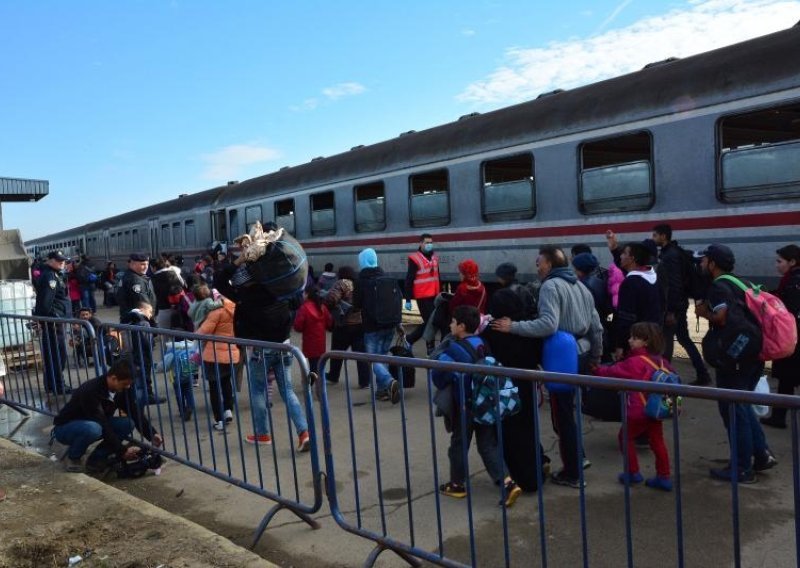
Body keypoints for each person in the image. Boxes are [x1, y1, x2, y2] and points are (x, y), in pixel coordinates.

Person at [491, 246, 603, 488]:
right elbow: (596, 326)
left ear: (550, 265)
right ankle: (578, 458)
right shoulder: (581, 286)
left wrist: (515, 327)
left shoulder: (551, 286)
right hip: (582, 353)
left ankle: (573, 471)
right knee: (569, 412)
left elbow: (548, 325)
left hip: (564, 356)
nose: (537, 267)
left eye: (539, 262)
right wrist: (596, 356)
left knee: (562, 416)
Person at [695, 244, 777, 483]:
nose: (701, 264)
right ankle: (760, 454)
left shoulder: (719, 286)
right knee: (742, 404)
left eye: (704, 260)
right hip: (752, 352)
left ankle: (742, 467)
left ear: (713, 264)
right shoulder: (742, 282)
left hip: (735, 356)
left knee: (733, 408)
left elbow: (721, 317)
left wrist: (702, 313)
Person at [433, 305, 522, 507]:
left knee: (458, 444)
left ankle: (457, 484)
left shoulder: (453, 349)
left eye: (453, 322)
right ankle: (508, 483)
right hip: (486, 403)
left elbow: (438, 377)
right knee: (488, 446)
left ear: (461, 326)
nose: (450, 325)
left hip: (465, 406)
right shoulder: (483, 342)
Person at [482, 262, 548, 492]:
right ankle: (536, 473)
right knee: (529, 429)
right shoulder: (526, 327)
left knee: (511, 435)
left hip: (505, 391)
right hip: (527, 385)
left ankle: (522, 479)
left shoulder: (494, 331)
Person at [593, 322, 673, 491]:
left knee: (625, 437)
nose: (630, 340)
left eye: (634, 338)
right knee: (657, 441)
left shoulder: (634, 362)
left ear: (646, 341)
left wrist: (595, 369)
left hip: (638, 410)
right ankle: (664, 476)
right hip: (657, 409)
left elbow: (611, 372)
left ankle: (632, 472)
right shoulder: (663, 362)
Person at [52, 358, 163, 473]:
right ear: (114, 378)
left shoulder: (121, 390)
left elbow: (134, 412)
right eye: (125, 384)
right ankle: (74, 457)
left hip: (94, 424)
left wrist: (152, 433)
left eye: (129, 384)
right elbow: (102, 423)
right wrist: (122, 451)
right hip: (65, 428)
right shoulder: (91, 390)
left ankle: (97, 459)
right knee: (94, 429)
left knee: (127, 423)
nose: (127, 387)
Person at [652, 224, 711, 386]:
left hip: (674, 306)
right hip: (680, 304)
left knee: (667, 340)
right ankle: (703, 373)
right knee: (684, 339)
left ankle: (665, 377)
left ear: (664, 236)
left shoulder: (670, 256)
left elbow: (673, 285)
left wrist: (670, 310)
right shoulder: (675, 252)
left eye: (655, 235)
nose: (653, 238)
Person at [352, 248, 401, 404]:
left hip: (372, 327)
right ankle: (382, 392)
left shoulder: (361, 281)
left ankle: (389, 381)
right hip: (390, 325)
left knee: (373, 360)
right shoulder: (386, 278)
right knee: (383, 356)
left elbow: (356, 304)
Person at [760, 244, 800, 429]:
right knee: (788, 379)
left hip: (793, 338)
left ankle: (778, 417)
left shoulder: (793, 282)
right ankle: (779, 415)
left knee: (786, 378)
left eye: (780, 261)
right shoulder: (791, 280)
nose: (777, 265)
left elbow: (788, 311)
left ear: (792, 262)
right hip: (795, 337)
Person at [613, 242, 663, 361]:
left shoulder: (631, 282)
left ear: (632, 258)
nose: (621, 256)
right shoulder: (654, 276)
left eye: (624, 253)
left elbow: (626, 317)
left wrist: (620, 345)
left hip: (635, 342)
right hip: (652, 337)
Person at [197, 294, 240, 431]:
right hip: (231, 353)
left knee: (214, 386)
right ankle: (228, 410)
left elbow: (202, 332)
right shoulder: (237, 311)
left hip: (213, 354)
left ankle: (219, 419)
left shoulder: (216, 313)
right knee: (226, 382)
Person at [324, 266, 370, 387]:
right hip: (360, 324)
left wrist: (328, 303)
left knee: (337, 353)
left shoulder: (342, 283)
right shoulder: (359, 284)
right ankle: (364, 381)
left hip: (344, 325)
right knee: (361, 355)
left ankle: (333, 376)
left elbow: (331, 298)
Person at [33, 251, 71, 394]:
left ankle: (51, 384)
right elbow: (46, 301)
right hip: (55, 321)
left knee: (52, 354)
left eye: (63, 260)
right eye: (58, 260)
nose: (62, 263)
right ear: (49, 261)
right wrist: (49, 318)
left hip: (54, 320)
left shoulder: (52, 274)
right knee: (57, 355)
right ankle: (58, 385)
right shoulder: (51, 277)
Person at [404, 233, 441, 353]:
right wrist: (408, 299)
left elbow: (437, 276)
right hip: (422, 296)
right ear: (421, 243)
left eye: (431, 242)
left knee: (430, 322)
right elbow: (409, 279)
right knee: (430, 322)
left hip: (434, 295)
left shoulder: (434, 257)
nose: (429, 245)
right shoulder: (415, 259)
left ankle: (424, 346)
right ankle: (412, 340)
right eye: (427, 242)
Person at [121, 301, 163, 406]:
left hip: (129, 354)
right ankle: (145, 400)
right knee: (143, 379)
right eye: (150, 311)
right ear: (142, 309)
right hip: (141, 355)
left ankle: (137, 400)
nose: (151, 314)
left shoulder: (127, 319)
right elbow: (147, 342)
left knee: (135, 380)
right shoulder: (143, 322)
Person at [293, 286, 333, 376]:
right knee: (319, 364)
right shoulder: (322, 307)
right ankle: (319, 385)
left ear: (307, 294)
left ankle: (313, 385)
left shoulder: (304, 308)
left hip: (309, 341)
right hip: (320, 341)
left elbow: (298, 326)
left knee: (313, 365)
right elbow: (329, 322)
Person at [118, 253, 157, 321]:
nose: (146, 267)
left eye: (147, 264)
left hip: (131, 318)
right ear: (132, 264)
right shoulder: (136, 281)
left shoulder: (129, 276)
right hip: (139, 320)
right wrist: (152, 320)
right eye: (142, 264)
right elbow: (143, 303)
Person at [151, 257, 185, 329]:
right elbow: (183, 285)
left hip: (163, 309)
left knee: (165, 336)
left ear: (154, 267)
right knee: (180, 334)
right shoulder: (175, 272)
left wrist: (153, 313)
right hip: (180, 308)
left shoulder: (153, 279)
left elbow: (153, 299)